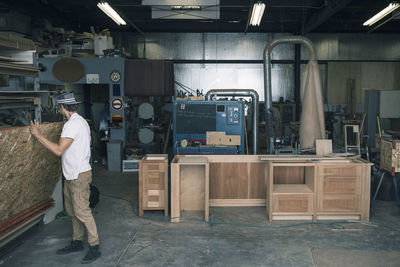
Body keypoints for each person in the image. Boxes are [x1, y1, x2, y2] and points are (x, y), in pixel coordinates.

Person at [29, 93, 101, 264]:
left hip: (78, 175)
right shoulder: (80, 121)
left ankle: (94, 246)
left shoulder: (72, 125)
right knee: (73, 211)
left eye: (59, 107)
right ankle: (77, 241)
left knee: (82, 212)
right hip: (72, 174)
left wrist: (37, 135)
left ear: (62, 107)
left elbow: (59, 150)